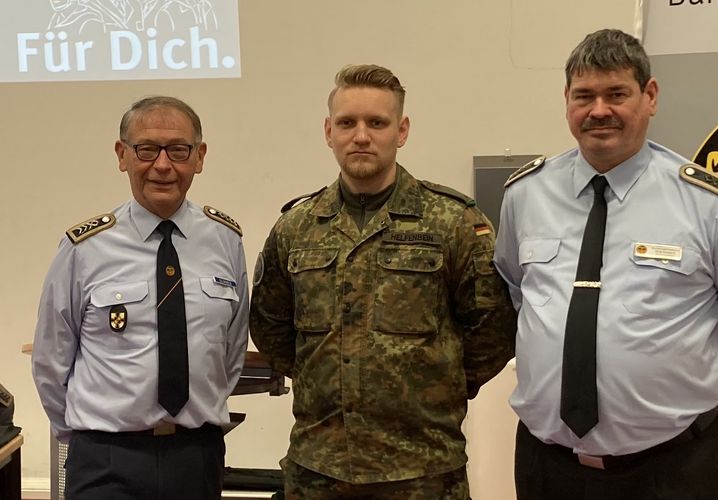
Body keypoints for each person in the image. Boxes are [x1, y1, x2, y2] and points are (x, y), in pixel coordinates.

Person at [493, 29, 718, 499]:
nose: (599, 110)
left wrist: (710, 378)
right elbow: (518, 291)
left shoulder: (707, 203)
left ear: (650, 96)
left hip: (672, 470)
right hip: (547, 467)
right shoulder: (525, 195)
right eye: (584, 95)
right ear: (566, 102)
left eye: (616, 93)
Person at [249, 64, 516, 499]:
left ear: (402, 130)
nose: (361, 135)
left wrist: (439, 383)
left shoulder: (453, 221)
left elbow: (493, 328)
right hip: (319, 470)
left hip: (423, 470)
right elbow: (271, 327)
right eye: (347, 123)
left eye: (377, 122)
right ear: (328, 131)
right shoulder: (297, 227)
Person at [32, 96, 249, 500]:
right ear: (122, 155)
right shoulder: (84, 248)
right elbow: (51, 360)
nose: (163, 165)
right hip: (106, 459)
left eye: (179, 150)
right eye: (146, 149)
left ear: (199, 157)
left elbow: (230, 353)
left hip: (196, 456)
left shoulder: (226, 242)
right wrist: (89, 434)